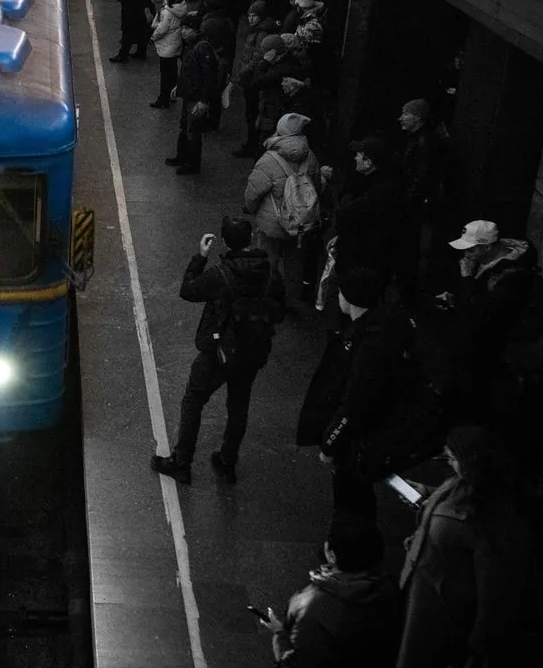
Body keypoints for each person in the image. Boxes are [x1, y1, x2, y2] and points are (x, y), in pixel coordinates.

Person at [152, 217, 275, 484]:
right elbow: (277, 307)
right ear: (251, 238)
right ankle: (227, 461)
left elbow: (188, 290)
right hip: (252, 351)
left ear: (226, 242)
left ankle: (182, 462)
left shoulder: (221, 274)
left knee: (193, 401)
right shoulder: (267, 270)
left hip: (219, 352)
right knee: (239, 406)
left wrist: (200, 256)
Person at [396, 426, 531, 668]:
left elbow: (493, 589)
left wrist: (479, 644)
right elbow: (447, 510)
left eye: (453, 458)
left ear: (472, 461)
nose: (449, 463)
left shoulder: (494, 516)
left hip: (448, 613)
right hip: (427, 600)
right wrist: (426, 496)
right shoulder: (457, 484)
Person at [297, 265, 410, 522]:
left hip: (357, 440)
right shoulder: (382, 328)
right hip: (374, 431)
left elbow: (353, 403)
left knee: (350, 497)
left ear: (350, 298)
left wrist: (330, 442)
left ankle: (350, 550)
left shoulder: (367, 346)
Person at [260, 514, 399, 667]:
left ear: (332, 556)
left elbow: (297, 662)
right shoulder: (389, 586)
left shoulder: (312, 606)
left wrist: (280, 634)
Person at [438, 220, 538, 427]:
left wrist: (466, 279)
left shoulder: (513, 275)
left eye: (471, 250)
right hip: (466, 340)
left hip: (486, 350)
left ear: (487, 247)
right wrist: (456, 297)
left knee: (469, 402)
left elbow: (486, 314)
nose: (466, 255)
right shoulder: (484, 262)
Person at [242, 112, 325, 300]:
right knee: (294, 261)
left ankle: (267, 295)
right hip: (300, 223)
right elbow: (317, 187)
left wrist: (252, 209)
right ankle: (291, 298)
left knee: (267, 259)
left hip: (272, 223)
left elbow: (253, 193)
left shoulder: (269, 159)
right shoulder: (310, 157)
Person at [332, 135, 404, 282]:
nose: (355, 158)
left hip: (365, 263)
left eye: (359, 155)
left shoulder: (378, 192)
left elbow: (347, 214)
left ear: (368, 163)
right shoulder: (374, 182)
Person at [166, 17, 224, 174]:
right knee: (185, 126)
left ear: (195, 30)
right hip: (189, 94)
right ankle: (182, 156)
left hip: (196, 97)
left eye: (186, 28)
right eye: (182, 28)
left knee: (193, 130)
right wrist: (179, 87)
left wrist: (204, 101)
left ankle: (192, 163)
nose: (183, 31)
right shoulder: (192, 46)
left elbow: (208, 76)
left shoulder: (201, 48)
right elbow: (189, 71)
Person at [230, 1, 280, 158]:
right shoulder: (260, 30)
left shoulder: (261, 34)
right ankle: (252, 144)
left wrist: (243, 73)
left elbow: (256, 57)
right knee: (252, 114)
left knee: (252, 114)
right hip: (250, 78)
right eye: (249, 16)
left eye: (254, 16)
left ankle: (252, 146)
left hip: (252, 80)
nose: (250, 19)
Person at [149, 0, 188, 108]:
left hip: (166, 47)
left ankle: (163, 99)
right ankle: (172, 94)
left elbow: (161, 29)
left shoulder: (167, 12)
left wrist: (153, 37)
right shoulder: (181, 9)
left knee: (165, 75)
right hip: (176, 45)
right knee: (172, 72)